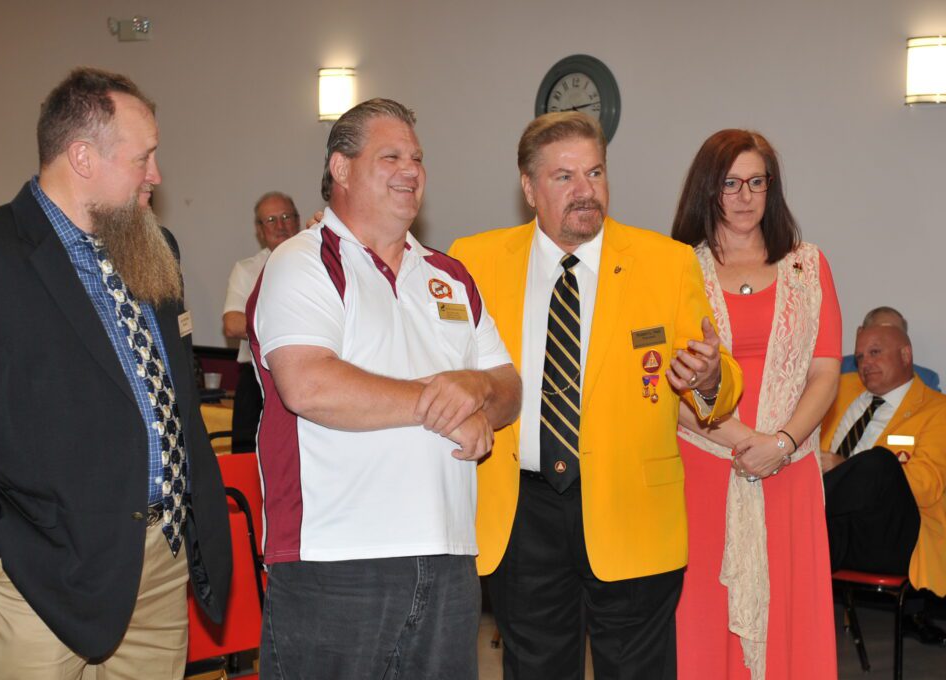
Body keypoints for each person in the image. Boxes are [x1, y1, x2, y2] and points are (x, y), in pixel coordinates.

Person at [0, 67, 232, 678]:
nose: (156, 175)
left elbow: (171, 394)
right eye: (142, 157)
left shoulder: (157, 246)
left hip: (160, 566)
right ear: (83, 157)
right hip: (39, 578)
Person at [449, 112, 743, 680]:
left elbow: (722, 376)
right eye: (564, 177)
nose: (585, 190)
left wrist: (709, 379)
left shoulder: (666, 261)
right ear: (529, 188)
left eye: (595, 172)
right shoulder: (474, 260)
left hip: (633, 510)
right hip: (521, 513)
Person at [248, 98, 522, 679]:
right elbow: (309, 384)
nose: (411, 170)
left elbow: (507, 387)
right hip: (335, 561)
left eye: (417, 158)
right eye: (391, 156)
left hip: (448, 557)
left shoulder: (450, 276)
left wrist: (475, 384)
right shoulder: (303, 262)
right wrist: (449, 405)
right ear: (341, 168)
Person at [670, 129, 841, 679]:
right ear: (707, 189)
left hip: (789, 473)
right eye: (730, 183)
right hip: (705, 469)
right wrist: (749, 444)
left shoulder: (807, 267)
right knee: (704, 622)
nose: (745, 196)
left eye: (757, 182)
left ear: (772, 188)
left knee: (792, 621)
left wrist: (782, 444)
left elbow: (825, 373)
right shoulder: (676, 268)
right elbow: (668, 384)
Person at [820, 322, 946, 644]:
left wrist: (845, 469)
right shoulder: (841, 389)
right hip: (834, 530)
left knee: (879, 462)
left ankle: (801, 506)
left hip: (891, 537)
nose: (865, 363)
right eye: (860, 356)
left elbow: (928, 486)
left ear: (906, 354)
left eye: (875, 352)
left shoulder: (938, 410)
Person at [222, 191, 300, 451]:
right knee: (248, 462)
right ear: (259, 230)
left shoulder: (321, 263)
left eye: (286, 217)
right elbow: (232, 324)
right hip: (256, 382)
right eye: (271, 220)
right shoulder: (247, 269)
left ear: (298, 221)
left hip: (309, 374)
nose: (280, 226)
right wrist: (288, 325)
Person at [839, 306, 940, 391]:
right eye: (878, 332)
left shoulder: (926, 381)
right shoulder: (837, 370)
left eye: (894, 334)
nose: (886, 339)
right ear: (860, 333)